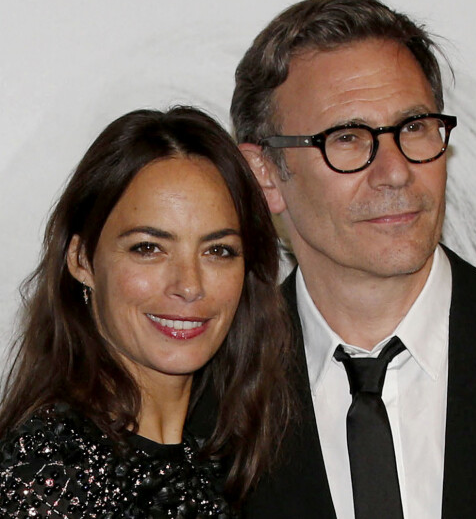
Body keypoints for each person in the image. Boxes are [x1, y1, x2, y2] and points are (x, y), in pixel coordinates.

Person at [195, 0, 476, 518]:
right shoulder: (204, 399)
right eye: (347, 138)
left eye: (414, 128)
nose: (396, 171)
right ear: (265, 175)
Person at [0, 106, 294, 517]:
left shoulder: (227, 461)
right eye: (149, 248)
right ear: (83, 260)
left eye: (218, 251)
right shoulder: (49, 475)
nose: (189, 285)